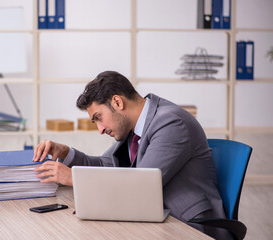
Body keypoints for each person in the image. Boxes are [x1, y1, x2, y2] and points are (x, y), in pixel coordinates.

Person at [33, 71, 231, 239]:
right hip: (156, 218)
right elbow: (105, 165)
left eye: (98, 118)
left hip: (190, 227)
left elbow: (139, 185)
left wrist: (73, 179)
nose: (100, 129)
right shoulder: (134, 129)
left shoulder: (171, 123)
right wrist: (67, 153)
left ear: (117, 102)